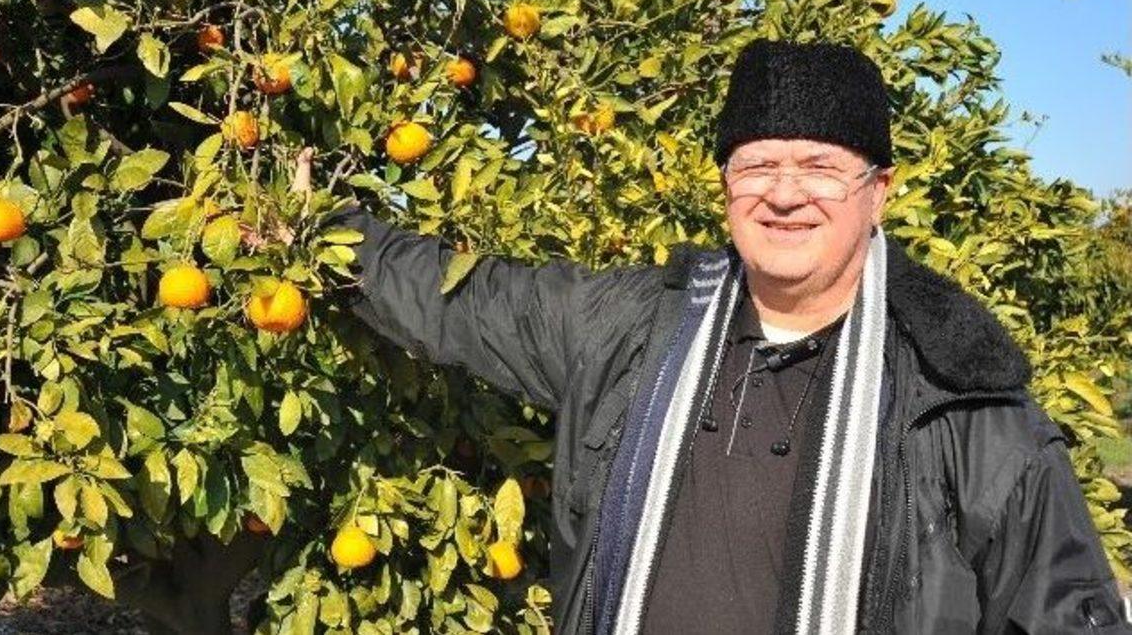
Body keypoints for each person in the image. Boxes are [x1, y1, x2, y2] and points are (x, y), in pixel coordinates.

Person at [327, 39, 1128, 633]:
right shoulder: (634, 326)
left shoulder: (960, 403)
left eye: (819, 166)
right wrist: (320, 232)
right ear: (725, 185)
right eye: (756, 165)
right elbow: (464, 301)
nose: (784, 193)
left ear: (878, 191)